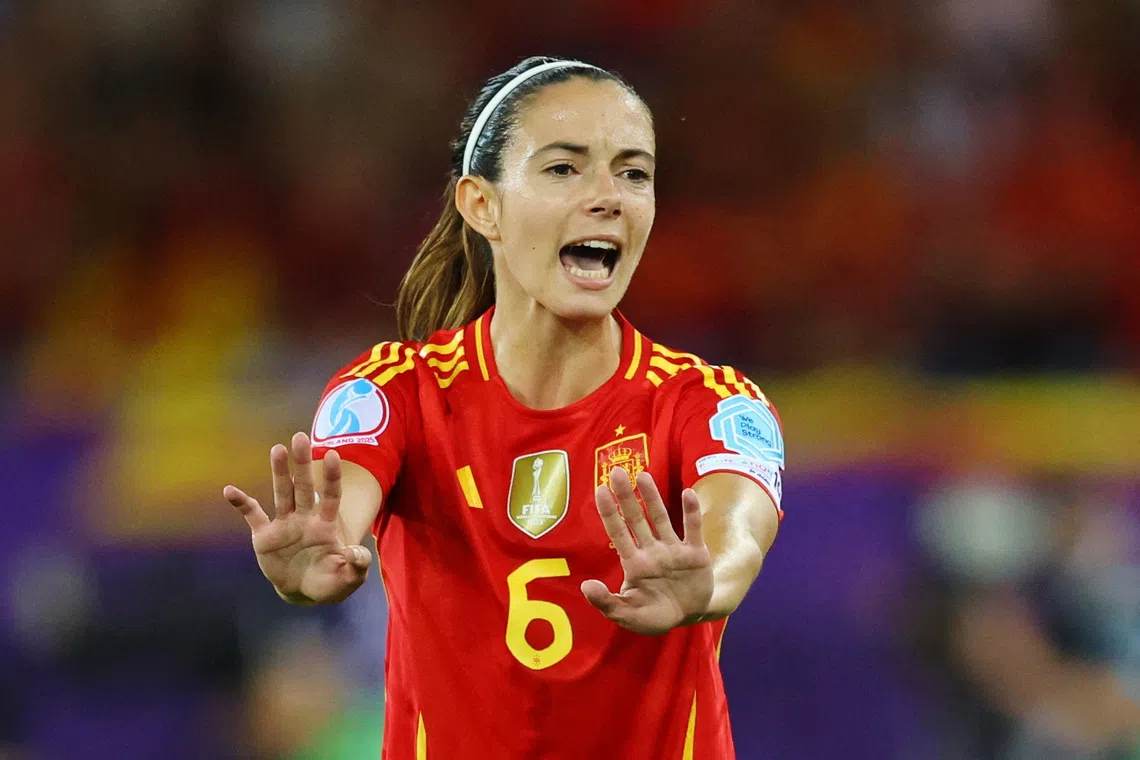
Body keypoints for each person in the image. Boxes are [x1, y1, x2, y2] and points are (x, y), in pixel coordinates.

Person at [224, 55, 785, 760]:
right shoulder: (396, 392)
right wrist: (318, 554)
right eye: (564, 168)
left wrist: (710, 581)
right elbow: (341, 509)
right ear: (481, 205)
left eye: (634, 173)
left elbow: (738, 531)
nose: (609, 197)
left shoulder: (710, 403)